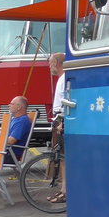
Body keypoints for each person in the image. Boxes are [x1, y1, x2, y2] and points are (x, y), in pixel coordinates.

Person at [46, 53, 67, 205]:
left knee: (63, 158)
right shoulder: (61, 78)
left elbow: (68, 100)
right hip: (58, 119)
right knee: (60, 157)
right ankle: (63, 190)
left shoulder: (64, 78)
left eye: (50, 63)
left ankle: (65, 191)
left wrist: (63, 121)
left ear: (56, 63)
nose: (49, 66)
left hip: (61, 120)